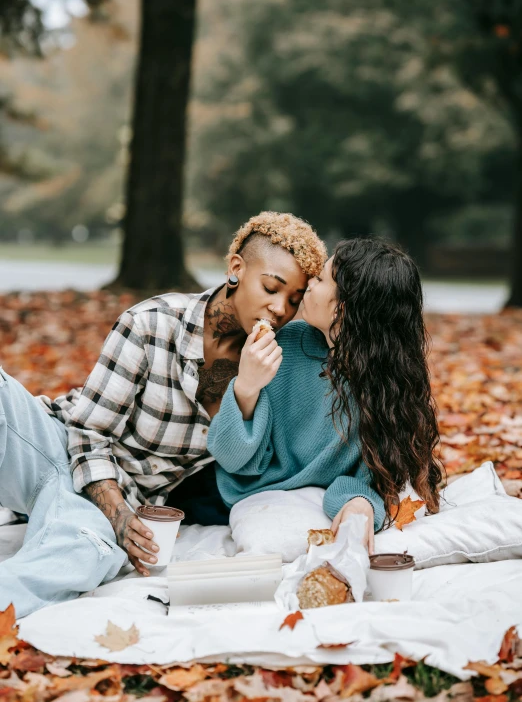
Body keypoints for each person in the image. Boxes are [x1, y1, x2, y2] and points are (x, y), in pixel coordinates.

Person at [0, 212, 326, 615]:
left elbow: (247, 458)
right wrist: (116, 513)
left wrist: (250, 387)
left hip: (115, 500)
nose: (279, 308)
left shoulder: (270, 365)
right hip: (50, 444)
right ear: (237, 269)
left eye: (294, 299)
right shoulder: (153, 323)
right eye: (271, 288)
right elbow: (85, 430)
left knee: (83, 557)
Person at [207, 238, 444, 553]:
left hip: (301, 502)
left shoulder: (385, 388)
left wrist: (358, 502)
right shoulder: (284, 344)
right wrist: (246, 386)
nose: (307, 286)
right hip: (233, 494)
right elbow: (232, 459)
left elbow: (371, 477)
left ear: (341, 308)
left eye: (319, 279)